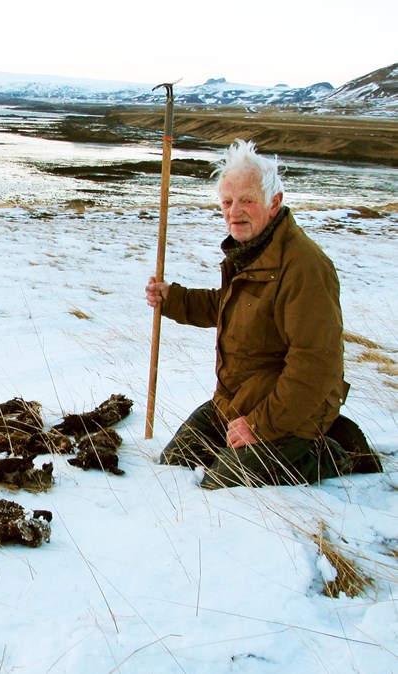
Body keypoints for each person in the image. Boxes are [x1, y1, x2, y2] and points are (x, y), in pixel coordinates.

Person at [145, 139, 364, 489]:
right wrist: (174, 300)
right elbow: (231, 307)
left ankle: (335, 452)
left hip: (287, 413)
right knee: (173, 465)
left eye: (247, 200)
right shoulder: (251, 252)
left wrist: (260, 425)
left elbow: (316, 363)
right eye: (228, 202)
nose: (234, 211)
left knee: (218, 487)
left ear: (274, 203)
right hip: (237, 401)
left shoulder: (304, 268)